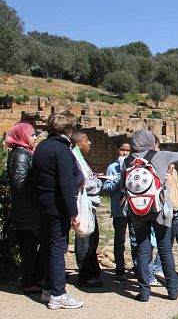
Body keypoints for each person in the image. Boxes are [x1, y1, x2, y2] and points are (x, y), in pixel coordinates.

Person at [123, 129, 178, 302]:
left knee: (143, 250)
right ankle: (173, 290)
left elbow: (123, 186)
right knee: (165, 250)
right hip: (159, 210)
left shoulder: (128, 160)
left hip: (138, 211)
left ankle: (144, 292)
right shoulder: (160, 156)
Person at [32, 111, 84, 309]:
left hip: (43, 204)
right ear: (68, 130)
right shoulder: (62, 151)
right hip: (57, 207)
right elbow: (65, 183)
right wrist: (73, 211)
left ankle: (48, 288)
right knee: (58, 250)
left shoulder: (43, 147)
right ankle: (58, 294)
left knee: (47, 247)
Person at [6, 122, 48, 295]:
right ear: (22, 136)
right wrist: (42, 180)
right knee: (47, 243)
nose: (35, 138)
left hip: (28, 209)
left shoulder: (23, 153)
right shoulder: (20, 155)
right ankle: (37, 278)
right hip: (29, 210)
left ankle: (31, 280)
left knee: (30, 247)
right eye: (32, 135)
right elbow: (19, 183)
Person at [70, 130, 103, 287]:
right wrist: (97, 183)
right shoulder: (75, 160)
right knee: (84, 241)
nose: (90, 143)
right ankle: (85, 275)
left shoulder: (81, 160)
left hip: (90, 205)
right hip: (83, 206)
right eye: (86, 140)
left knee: (92, 240)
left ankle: (92, 270)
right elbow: (84, 182)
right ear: (78, 144)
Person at [103, 138, 137, 282]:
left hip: (133, 209)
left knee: (136, 240)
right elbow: (106, 188)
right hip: (119, 209)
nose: (124, 153)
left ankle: (138, 268)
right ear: (118, 150)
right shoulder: (112, 168)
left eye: (127, 150)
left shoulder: (135, 166)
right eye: (122, 150)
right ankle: (120, 269)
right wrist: (119, 178)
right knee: (119, 240)